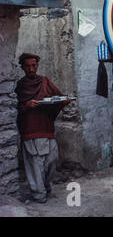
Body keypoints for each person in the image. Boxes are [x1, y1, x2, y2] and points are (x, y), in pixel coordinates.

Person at [14, 53, 71, 203]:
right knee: (35, 164)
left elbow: (58, 97)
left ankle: (46, 186)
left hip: (46, 128)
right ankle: (38, 194)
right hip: (30, 129)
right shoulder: (20, 86)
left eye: (34, 65)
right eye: (27, 66)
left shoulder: (45, 81)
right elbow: (13, 109)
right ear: (23, 68)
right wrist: (26, 105)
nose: (31, 69)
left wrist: (64, 101)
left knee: (52, 161)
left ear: (37, 65)